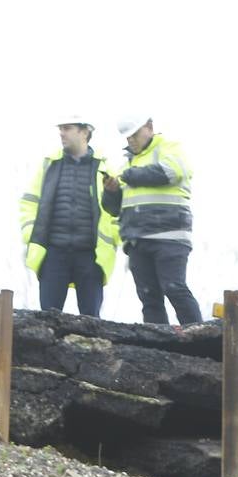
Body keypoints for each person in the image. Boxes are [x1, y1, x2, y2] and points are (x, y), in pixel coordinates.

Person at [102, 115, 202, 326]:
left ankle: (201, 338)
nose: (130, 140)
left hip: (169, 236)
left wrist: (130, 175)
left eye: (134, 134)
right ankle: (159, 349)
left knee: (175, 288)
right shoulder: (127, 164)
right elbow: (113, 209)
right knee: (149, 299)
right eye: (127, 137)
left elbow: (171, 172)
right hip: (137, 240)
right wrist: (111, 192)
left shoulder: (168, 148)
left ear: (149, 127)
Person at [19, 115, 119, 316]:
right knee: (48, 319)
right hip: (53, 254)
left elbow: (117, 210)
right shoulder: (49, 165)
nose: (61, 133)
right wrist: (31, 234)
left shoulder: (105, 167)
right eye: (61, 128)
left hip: (91, 256)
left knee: (91, 321)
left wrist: (113, 237)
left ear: (84, 132)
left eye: (67, 128)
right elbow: (28, 202)